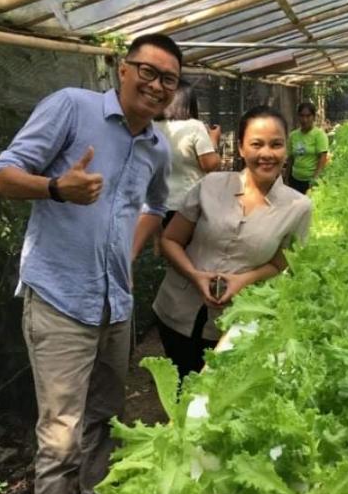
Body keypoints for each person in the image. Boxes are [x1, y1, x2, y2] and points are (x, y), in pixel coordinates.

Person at [0, 33, 182, 494]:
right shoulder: (71, 106)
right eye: (148, 70)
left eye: (168, 79)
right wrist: (55, 187)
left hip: (113, 303)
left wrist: (129, 249)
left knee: (106, 422)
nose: (156, 84)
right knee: (60, 441)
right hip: (60, 299)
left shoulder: (157, 146)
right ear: (123, 69)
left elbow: (157, 204)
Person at [151, 105, 312, 379]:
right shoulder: (211, 185)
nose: (266, 154)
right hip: (177, 310)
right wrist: (194, 275)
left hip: (237, 323)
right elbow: (170, 240)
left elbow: (279, 262)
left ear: (286, 148)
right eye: (256, 144)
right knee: (181, 392)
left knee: (217, 400)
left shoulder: (299, 206)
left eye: (276, 144)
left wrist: (243, 280)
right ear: (241, 148)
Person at [131, 80, 221, 259]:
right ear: (188, 102)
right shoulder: (194, 126)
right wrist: (214, 141)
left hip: (158, 203)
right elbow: (209, 164)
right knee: (189, 252)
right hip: (188, 203)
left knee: (168, 248)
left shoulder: (152, 127)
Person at [286, 101, 329, 194]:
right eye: (301, 116)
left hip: (310, 181)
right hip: (295, 180)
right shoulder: (293, 135)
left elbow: (323, 158)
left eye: (308, 116)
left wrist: (315, 179)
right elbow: (290, 159)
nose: (304, 119)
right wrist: (286, 178)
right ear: (298, 117)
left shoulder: (319, 135)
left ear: (313, 117)